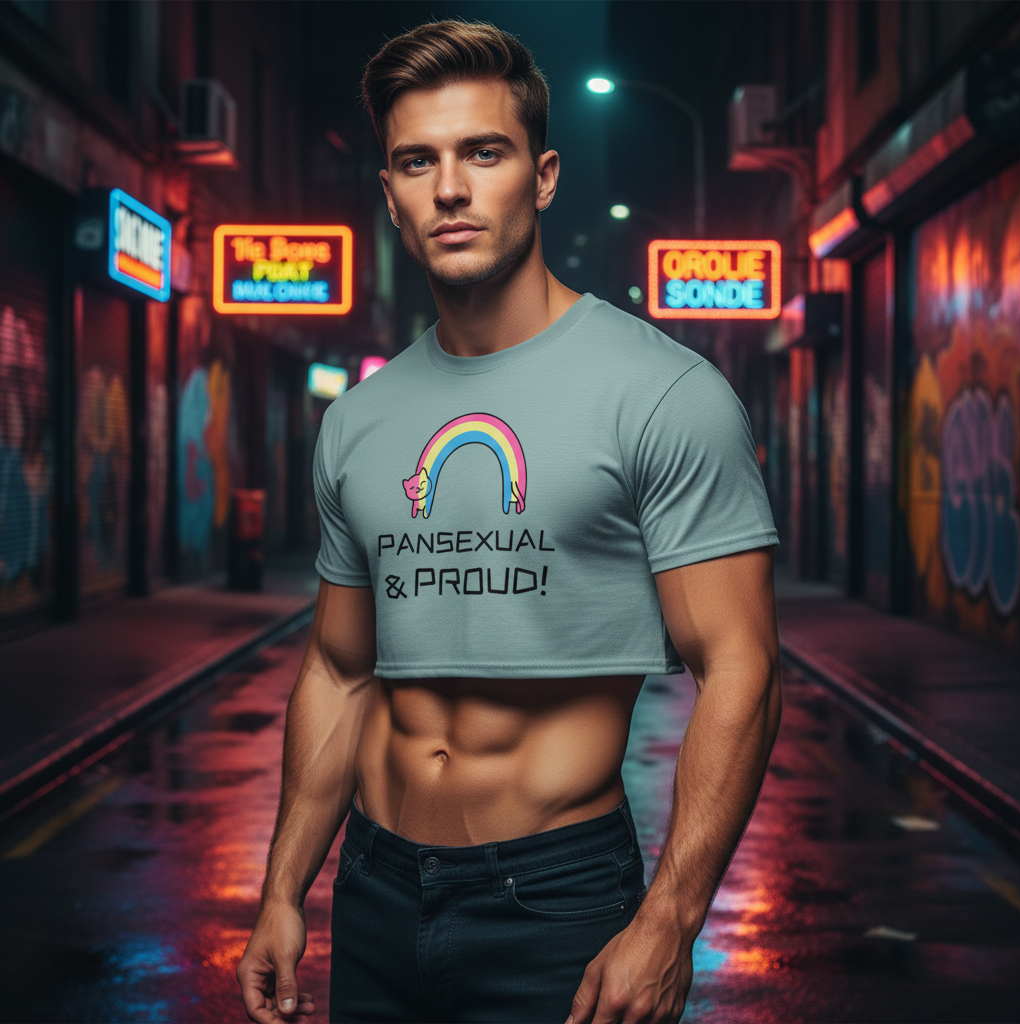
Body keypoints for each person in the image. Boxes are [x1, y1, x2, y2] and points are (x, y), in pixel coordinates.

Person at [237, 19, 781, 1024]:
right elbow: (340, 668)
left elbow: (740, 665)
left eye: (482, 152)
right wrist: (282, 889)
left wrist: (669, 919)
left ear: (541, 176)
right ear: (391, 193)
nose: (449, 187)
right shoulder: (358, 420)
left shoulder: (660, 393)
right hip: (373, 886)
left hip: (558, 897)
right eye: (416, 160)